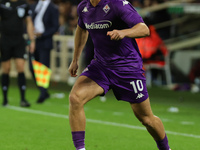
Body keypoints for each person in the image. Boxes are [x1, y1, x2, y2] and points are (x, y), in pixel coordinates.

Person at [68, 0, 171, 150]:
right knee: (75, 98)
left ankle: (166, 148)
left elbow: (144, 29)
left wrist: (124, 32)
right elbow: (81, 30)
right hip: (101, 66)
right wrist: (75, 59)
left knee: (146, 118)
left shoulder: (117, 4)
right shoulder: (83, 7)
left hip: (127, 69)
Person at [0, 0, 35, 107]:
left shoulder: (24, 4)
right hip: (5, 40)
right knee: (6, 68)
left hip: (19, 40)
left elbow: (28, 22)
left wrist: (31, 40)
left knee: (20, 67)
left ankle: (23, 99)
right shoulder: (2, 3)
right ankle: (5, 99)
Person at [29, 0, 59, 103]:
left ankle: (42, 93)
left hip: (45, 41)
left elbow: (55, 26)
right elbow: (29, 20)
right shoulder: (35, 6)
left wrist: (42, 34)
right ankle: (43, 91)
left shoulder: (53, 8)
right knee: (31, 67)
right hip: (34, 41)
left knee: (43, 68)